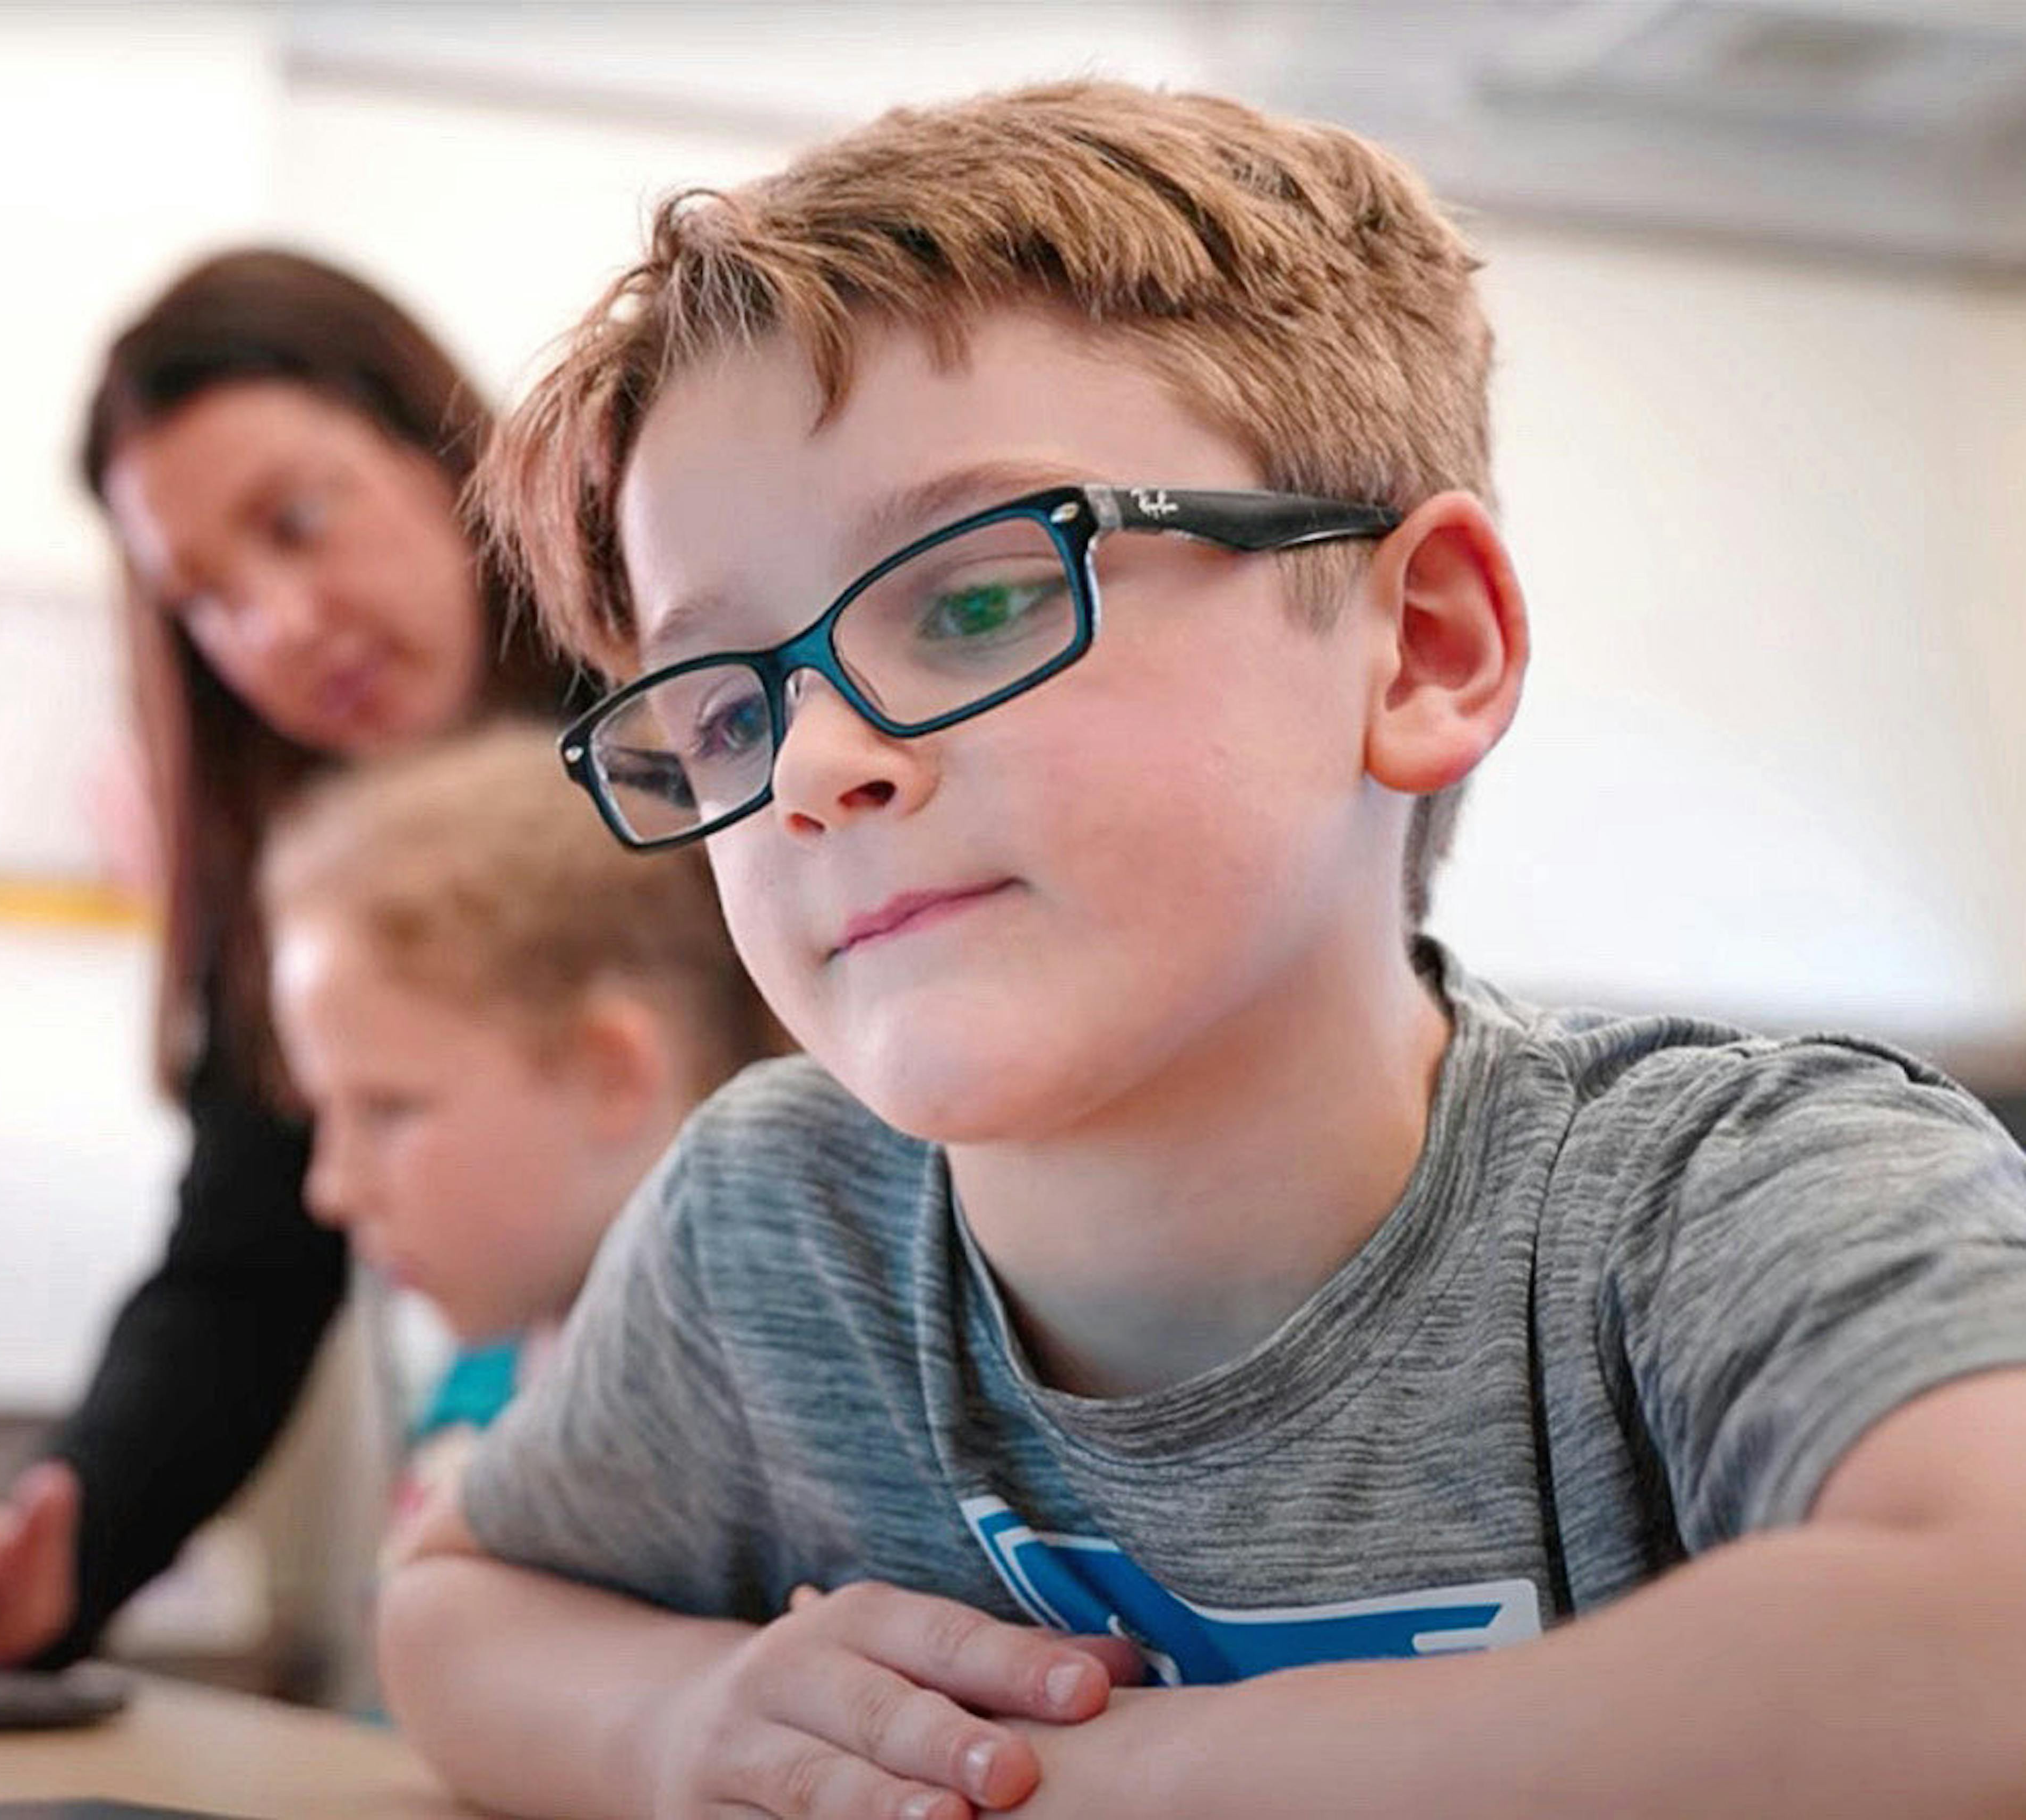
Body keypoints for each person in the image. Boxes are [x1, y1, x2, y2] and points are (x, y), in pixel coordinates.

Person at [380, 82, 2026, 1820]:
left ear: (1424, 651)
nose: (809, 767)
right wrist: (680, 1725)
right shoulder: (772, 1233)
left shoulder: (1718, 1193)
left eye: (980, 597)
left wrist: (1113, 1789)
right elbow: (457, 1611)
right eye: (722, 711)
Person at [0, 251, 586, 1670]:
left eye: (300, 520)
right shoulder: (290, 877)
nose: (278, 625)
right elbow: (241, 1272)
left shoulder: (699, 739)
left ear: (436, 447)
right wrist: (61, 1538)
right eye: (203, 598)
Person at [257, 722, 780, 1563]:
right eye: (322, 1112)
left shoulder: (772, 1421)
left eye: (387, 1109)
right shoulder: (485, 1371)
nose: (332, 1187)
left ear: (612, 1072)